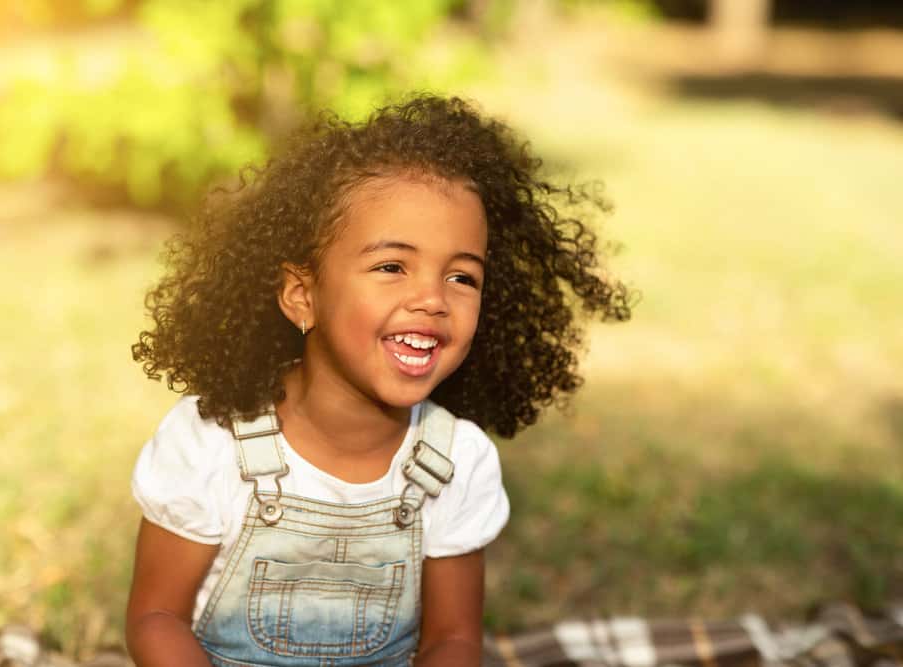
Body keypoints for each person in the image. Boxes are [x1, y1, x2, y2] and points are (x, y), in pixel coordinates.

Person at [125, 94, 631, 667]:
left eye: (462, 276)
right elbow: (156, 618)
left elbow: (452, 641)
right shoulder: (211, 440)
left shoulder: (455, 462)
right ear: (303, 296)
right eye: (392, 267)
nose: (432, 299)